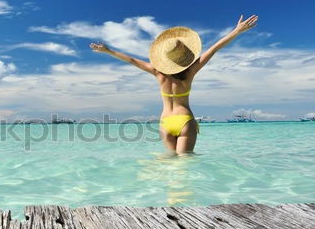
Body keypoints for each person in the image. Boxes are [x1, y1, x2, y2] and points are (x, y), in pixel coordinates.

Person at [90, 14, 258, 154]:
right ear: (184, 58)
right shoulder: (189, 73)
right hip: (185, 121)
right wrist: (237, 31)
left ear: (165, 59)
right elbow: (213, 49)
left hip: (165, 123)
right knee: (184, 167)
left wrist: (108, 51)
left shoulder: (158, 73)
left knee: (170, 165)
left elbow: (132, 60)